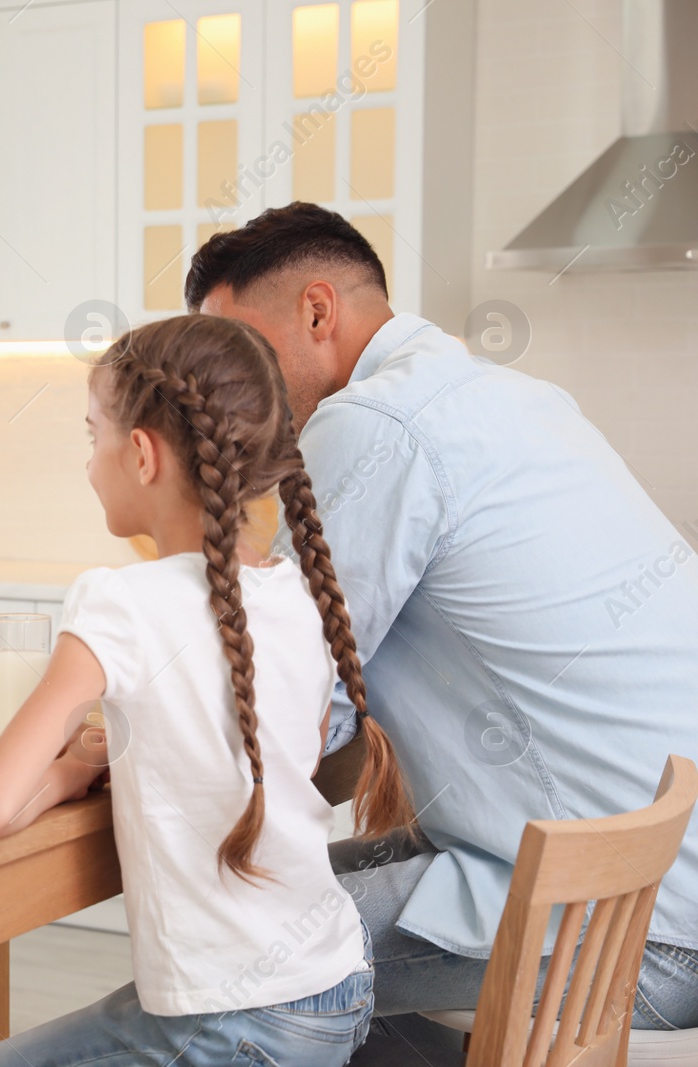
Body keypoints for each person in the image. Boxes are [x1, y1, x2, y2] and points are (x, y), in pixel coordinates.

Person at [187, 202, 698, 1042]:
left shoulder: (376, 422)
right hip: (650, 887)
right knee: (267, 913)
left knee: (217, 945)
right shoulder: (512, 397)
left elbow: (279, 706)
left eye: (241, 351)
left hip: (623, 927)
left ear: (318, 311)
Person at [0, 314, 414, 1065]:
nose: (87, 461)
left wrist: (68, 769)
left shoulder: (116, 602)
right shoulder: (301, 594)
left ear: (140, 454)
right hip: (335, 988)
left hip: (237, 1024)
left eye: (91, 433)